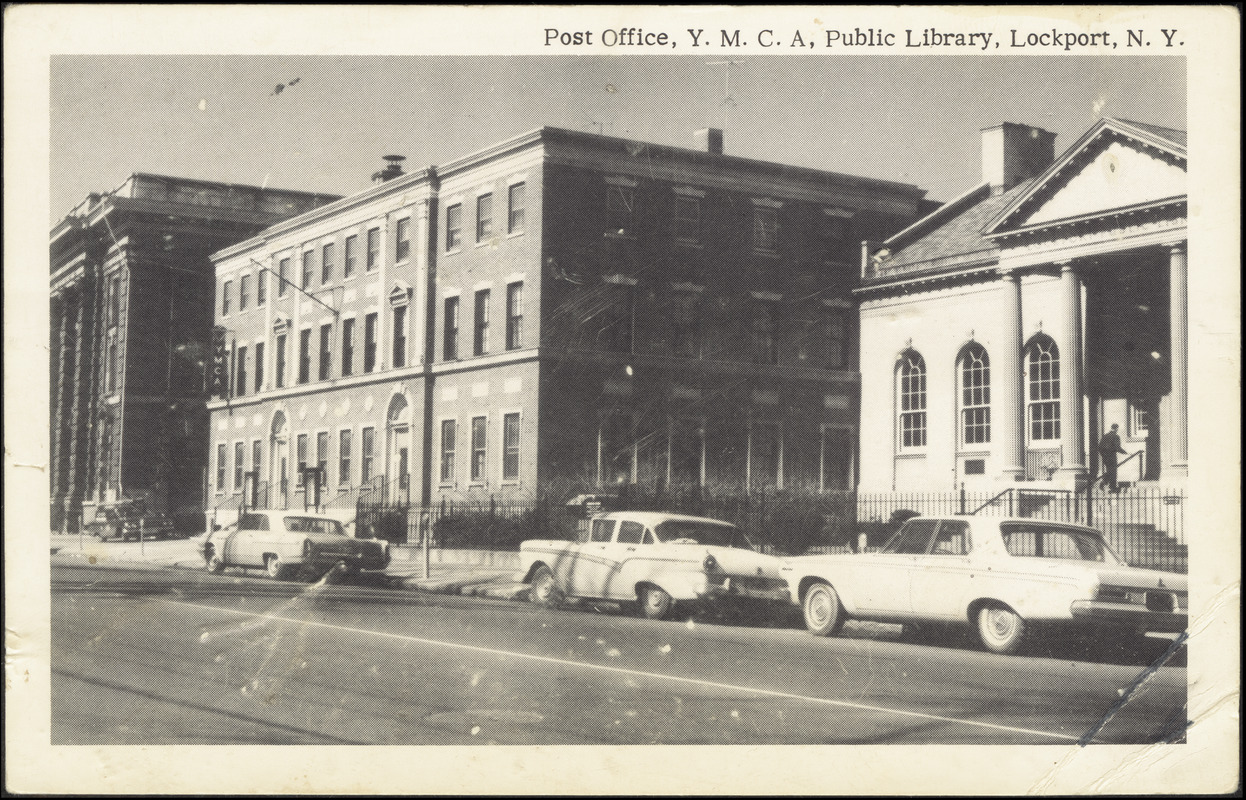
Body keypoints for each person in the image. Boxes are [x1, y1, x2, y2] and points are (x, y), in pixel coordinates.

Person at [1097, 424, 1128, 493]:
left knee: (1109, 471)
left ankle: (1105, 482)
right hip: (1112, 457)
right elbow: (1117, 448)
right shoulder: (1116, 436)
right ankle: (1112, 487)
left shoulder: (1105, 436)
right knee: (1113, 472)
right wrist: (1125, 452)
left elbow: (1099, 447)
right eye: (1117, 429)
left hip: (1105, 457)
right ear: (1116, 429)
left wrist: (1104, 455)